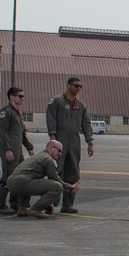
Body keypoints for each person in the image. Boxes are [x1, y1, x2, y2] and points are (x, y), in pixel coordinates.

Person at [45, 76, 94, 213]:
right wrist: (53, 137)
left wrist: (89, 141)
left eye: (80, 86)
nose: (78, 89)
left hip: (74, 142)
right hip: (59, 140)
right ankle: (50, 203)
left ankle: (68, 204)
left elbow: (86, 123)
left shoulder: (81, 105)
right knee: (55, 171)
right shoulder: (57, 101)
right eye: (76, 86)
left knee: (73, 172)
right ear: (68, 86)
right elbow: (51, 119)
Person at [6, 139, 80, 218]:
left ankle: (22, 208)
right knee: (57, 186)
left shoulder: (38, 156)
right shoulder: (49, 159)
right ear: (51, 148)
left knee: (30, 180)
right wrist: (70, 188)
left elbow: (43, 185)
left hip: (11, 183)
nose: (60, 154)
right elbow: (55, 179)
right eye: (59, 151)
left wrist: (48, 204)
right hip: (23, 182)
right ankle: (36, 209)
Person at [0, 87, 34, 215]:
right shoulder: (6, 112)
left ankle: (15, 204)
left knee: (18, 177)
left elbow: (22, 133)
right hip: (9, 150)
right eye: (20, 96)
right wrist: (8, 149)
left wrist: (29, 147)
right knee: (7, 177)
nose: (22, 98)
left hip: (18, 150)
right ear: (12, 97)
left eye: (22, 96)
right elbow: (3, 132)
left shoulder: (17, 113)